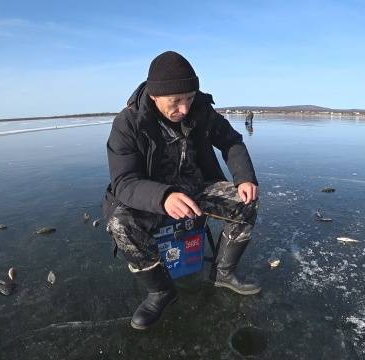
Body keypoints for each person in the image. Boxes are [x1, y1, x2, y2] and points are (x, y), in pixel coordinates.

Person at [102, 51, 260, 330]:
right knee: (121, 224)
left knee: (246, 202)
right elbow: (124, 181)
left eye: (189, 98)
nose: (185, 109)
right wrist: (163, 197)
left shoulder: (200, 109)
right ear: (154, 96)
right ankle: (160, 291)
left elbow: (232, 141)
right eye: (175, 101)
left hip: (196, 185)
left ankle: (223, 272)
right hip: (150, 192)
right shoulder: (128, 123)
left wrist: (244, 177)